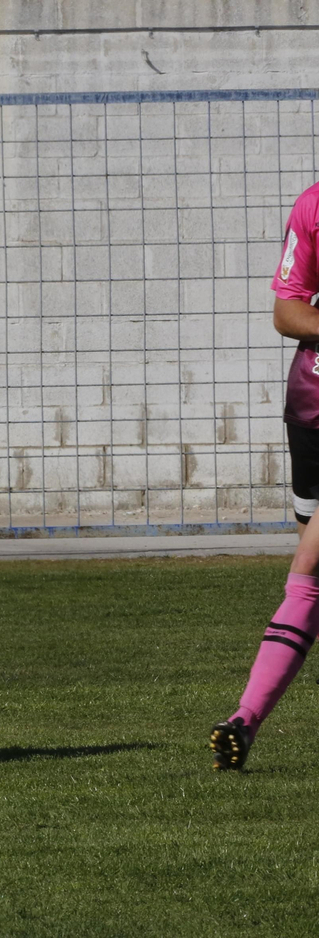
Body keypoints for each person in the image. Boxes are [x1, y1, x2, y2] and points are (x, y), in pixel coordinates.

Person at [211, 180, 319, 769]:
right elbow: (288, 311)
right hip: (310, 408)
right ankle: (245, 725)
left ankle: (245, 717)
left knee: (309, 566)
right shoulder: (313, 205)